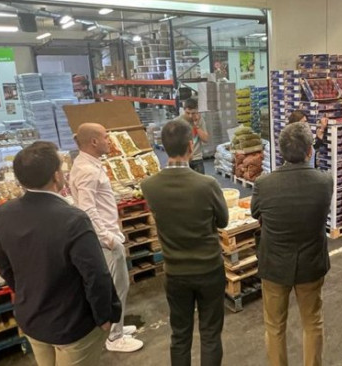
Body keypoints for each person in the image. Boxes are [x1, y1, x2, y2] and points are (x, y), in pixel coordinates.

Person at [0, 141, 121, 366]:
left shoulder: (4, 213)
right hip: (72, 325)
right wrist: (105, 316)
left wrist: (27, 293)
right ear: (56, 176)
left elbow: (1, 262)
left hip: (32, 318)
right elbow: (96, 275)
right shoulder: (73, 219)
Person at [140, 119, 229, 366]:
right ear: (191, 145)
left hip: (175, 272)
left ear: (162, 145)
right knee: (210, 334)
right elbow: (222, 221)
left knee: (180, 335)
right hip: (209, 269)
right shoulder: (207, 184)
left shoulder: (149, 186)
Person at [251, 122, 334, 366]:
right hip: (311, 264)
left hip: (275, 266)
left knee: (275, 326)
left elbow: (256, 213)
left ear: (281, 152)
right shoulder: (324, 181)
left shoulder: (264, 184)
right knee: (313, 322)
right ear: (310, 151)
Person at [69, 123, 144, 353]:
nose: (109, 140)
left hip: (108, 235)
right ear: (93, 142)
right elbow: (87, 209)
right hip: (105, 241)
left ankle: (117, 325)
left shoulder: (89, 164)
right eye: (105, 137)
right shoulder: (87, 171)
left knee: (117, 285)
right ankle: (115, 337)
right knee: (116, 286)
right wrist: (107, 238)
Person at [171, 98, 210, 174]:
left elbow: (205, 139)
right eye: (187, 113)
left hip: (197, 158)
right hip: (183, 159)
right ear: (184, 110)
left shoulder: (200, 121)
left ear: (197, 111)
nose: (190, 116)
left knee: (200, 184)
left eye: (193, 113)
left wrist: (196, 125)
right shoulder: (176, 122)